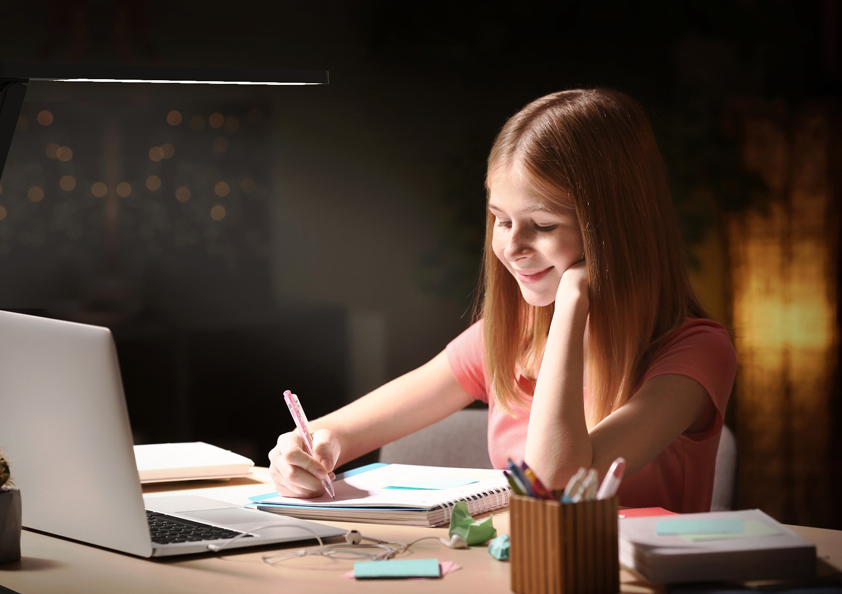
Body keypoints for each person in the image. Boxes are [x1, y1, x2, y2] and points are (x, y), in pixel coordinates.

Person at [268, 89, 737, 514]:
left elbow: (557, 484)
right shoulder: (509, 337)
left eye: (544, 225)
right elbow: (339, 433)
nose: (512, 247)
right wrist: (303, 451)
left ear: (612, 233)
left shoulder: (696, 352)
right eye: (500, 219)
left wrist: (574, 303)